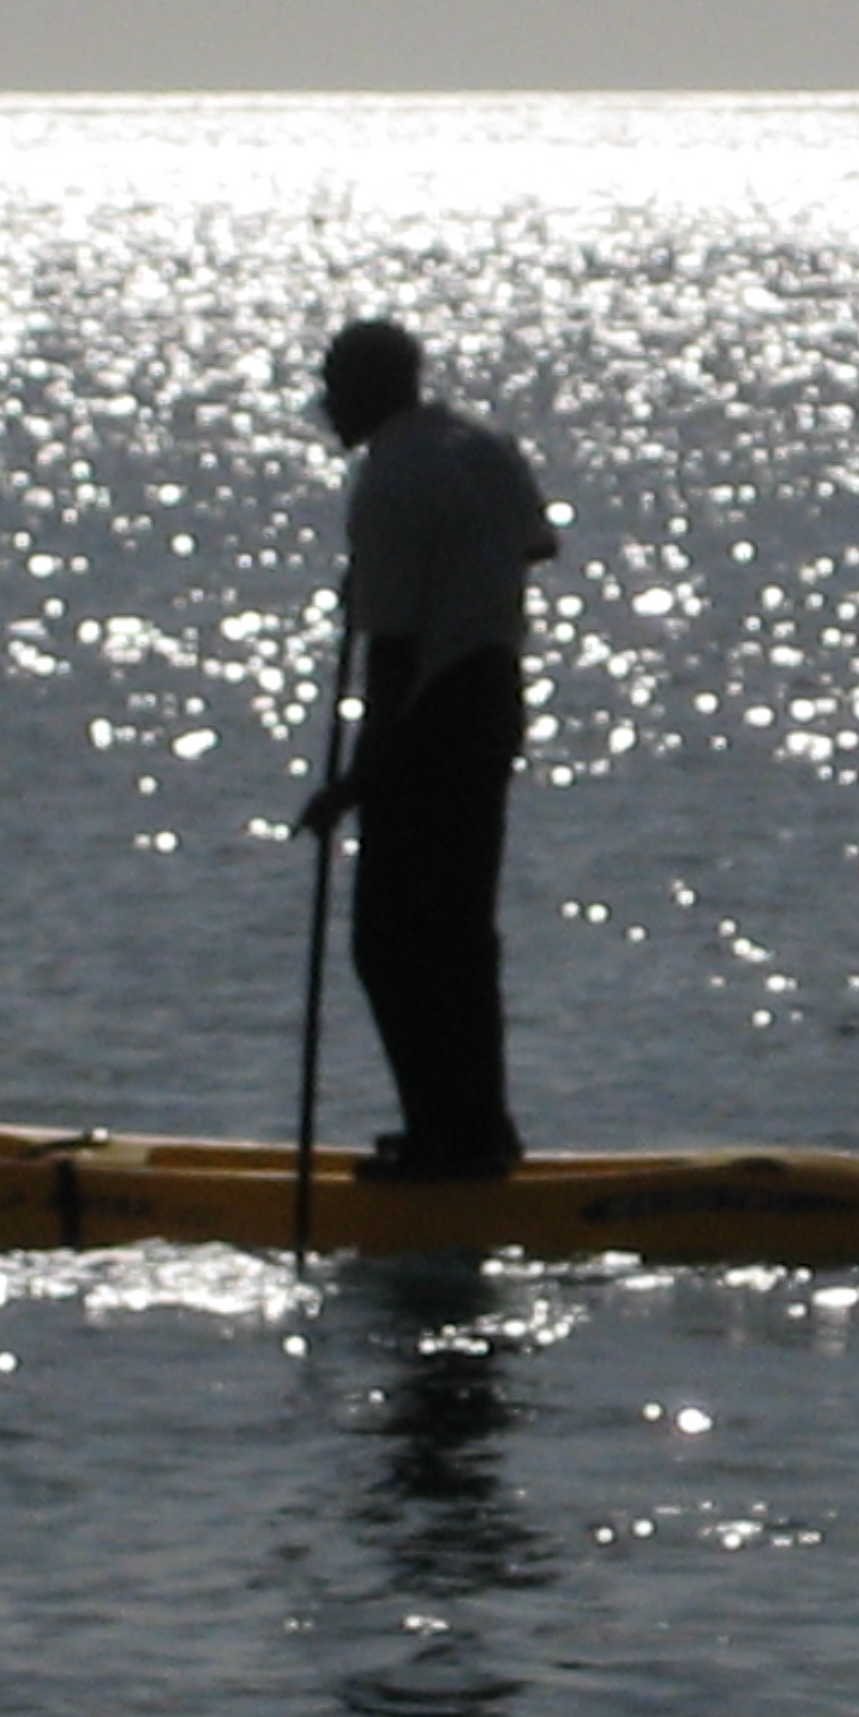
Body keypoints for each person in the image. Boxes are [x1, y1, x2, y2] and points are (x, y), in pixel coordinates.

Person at [298, 319, 558, 1179]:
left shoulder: (390, 482)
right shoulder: (484, 447)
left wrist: (352, 787)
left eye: (336, 389)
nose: (326, 407)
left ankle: (445, 1141)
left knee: (391, 941)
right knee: (459, 933)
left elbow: (395, 658)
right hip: (495, 694)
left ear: (373, 390)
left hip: (435, 709)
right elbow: (534, 545)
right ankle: (476, 1127)